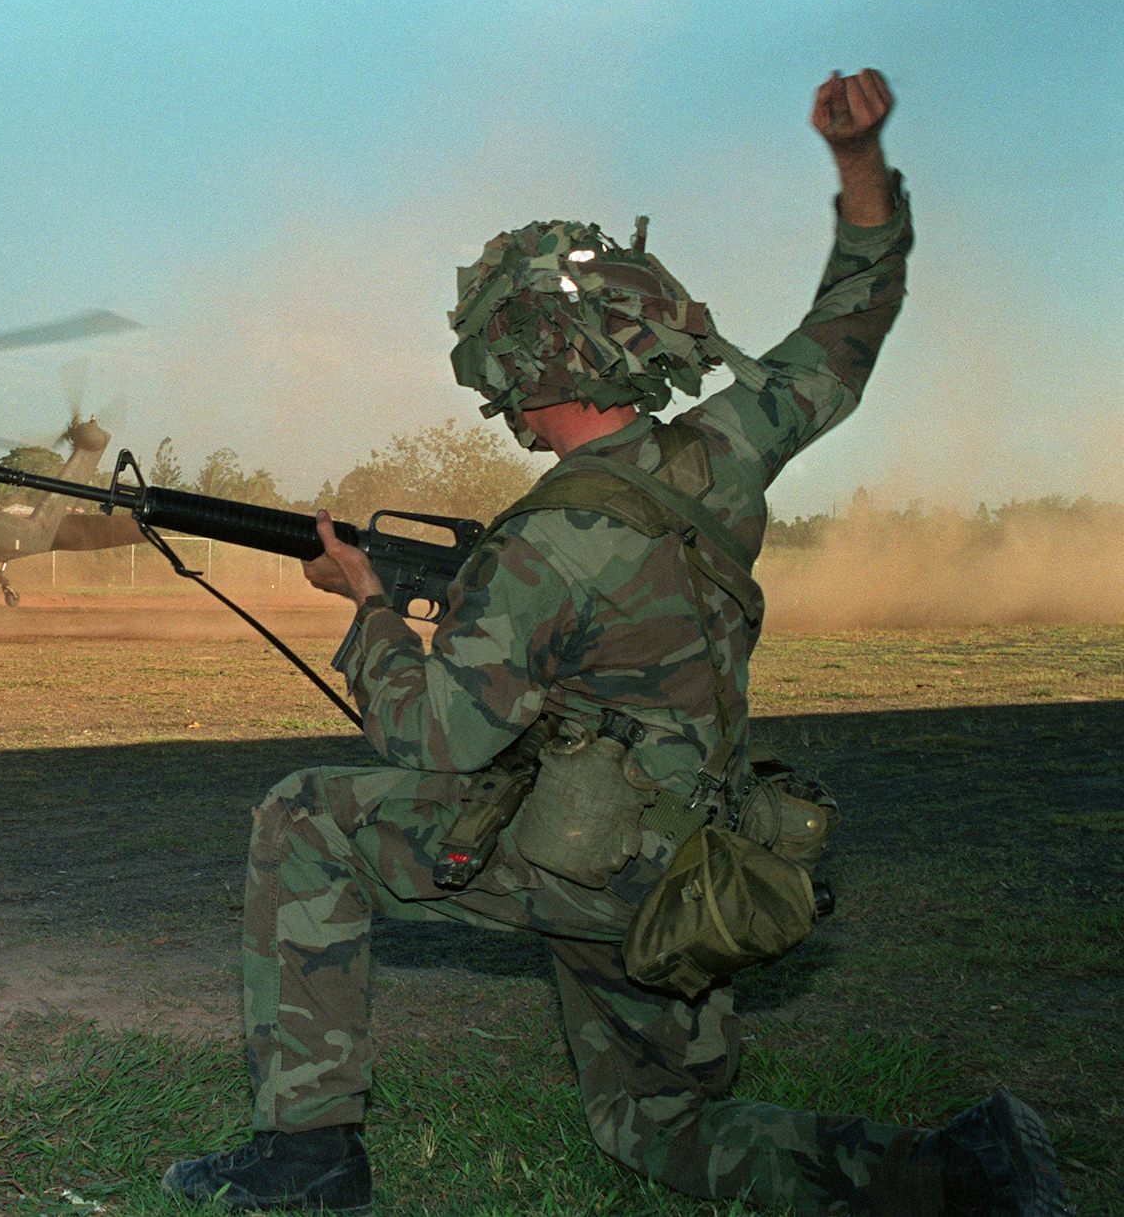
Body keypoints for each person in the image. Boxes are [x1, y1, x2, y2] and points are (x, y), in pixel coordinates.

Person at [161, 71, 1076, 1216]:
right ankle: (966, 1170)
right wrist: (859, 163)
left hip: (589, 870)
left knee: (305, 818)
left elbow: (436, 736)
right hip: (698, 866)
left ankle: (307, 1161)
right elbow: (850, 325)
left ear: (519, 366)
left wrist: (371, 608)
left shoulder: (544, 542)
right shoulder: (724, 453)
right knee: (653, 1124)